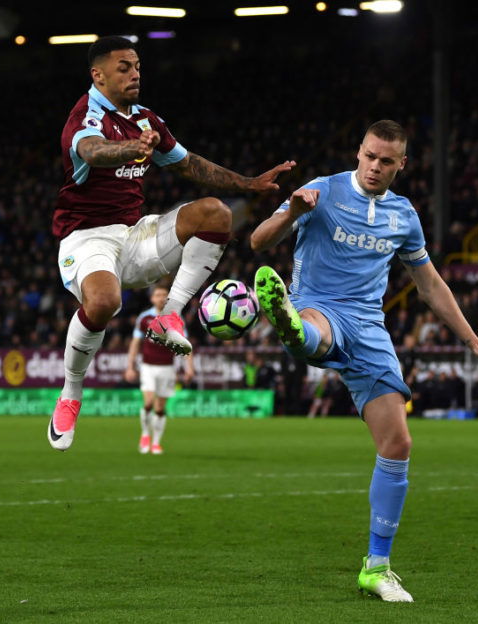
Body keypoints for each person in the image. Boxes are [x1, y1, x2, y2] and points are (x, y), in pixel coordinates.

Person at [248, 120, 478, 602]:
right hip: (319, 305)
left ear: (401, 165)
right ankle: (292, 328)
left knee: (398, 443)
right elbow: (257, 241)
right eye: (370, 156)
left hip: (370, 327)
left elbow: (430, 285)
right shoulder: (322, 190)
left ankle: (376, 568)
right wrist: (291, 212)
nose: (375, 166)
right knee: (316, 332)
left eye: (386, 161)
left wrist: (474, 342)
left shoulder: (404, 215)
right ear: (359, 151)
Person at [48, 36, 294, 451]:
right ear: (98, 75)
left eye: (137, 66)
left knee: (217, 214)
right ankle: (71, 392)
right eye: (124, 67)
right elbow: (92, 152)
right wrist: (131, 147)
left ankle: (171, 316)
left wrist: (248, 184)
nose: (135, 74)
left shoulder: (147, 120)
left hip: (134, 236)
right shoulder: (84, 116)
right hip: (87, 237)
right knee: (105, 301)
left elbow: (189, 164)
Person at [124, 284, 194, 455]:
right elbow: (135, 343)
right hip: (148, 367)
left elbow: (185, 344)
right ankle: (145, 434)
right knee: (148, 403)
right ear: (152, 298)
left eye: (164, 295)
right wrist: (130, 366)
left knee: (160, 408)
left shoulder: (175, 318)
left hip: (167, 368)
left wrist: (189, 367)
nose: (161, 298)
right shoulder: (145, 318)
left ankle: (156, 443)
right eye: (158, 295)